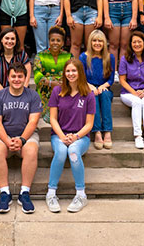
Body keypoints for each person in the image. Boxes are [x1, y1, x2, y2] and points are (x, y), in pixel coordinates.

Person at [0, 62, 42, 214]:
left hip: (26, 136)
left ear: (25, 78)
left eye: (20, 76)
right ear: (8, 77)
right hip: (4, 135)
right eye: (13, 76)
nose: (17, 79)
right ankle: (5, 193)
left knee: (31, 151)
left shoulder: (32, 95)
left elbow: (33, 121)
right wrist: (7, 141)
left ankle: (24, 193)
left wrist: (22, 140)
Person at [46, 58, 95, 213]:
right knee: (61, 152)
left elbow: (89, 124)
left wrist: (75, 137)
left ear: (80, 72)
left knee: (73, 152)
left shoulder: (88, 94)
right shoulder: (57, 91)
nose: (71, 73)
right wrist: (62, 136)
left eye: (74, 70)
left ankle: (81, 194)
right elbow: (53, 118)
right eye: (68, 71)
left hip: (81, 138)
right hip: (59, 135)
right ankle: (51, 193)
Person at [118, 31, 144, 149]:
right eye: (134, 42)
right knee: (136, 102)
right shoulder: (125, 59)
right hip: (128, 92)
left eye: (139, 42)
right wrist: (134, 92)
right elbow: (122, 80)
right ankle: (138, 136)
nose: (137, 44)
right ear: (130, 44)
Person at [80, 31, 114, 150]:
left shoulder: (110, 57)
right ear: (90, 42)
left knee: (104, 95)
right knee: (93, 97)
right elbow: (81, 77)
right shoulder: (84, 57)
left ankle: (108, 131)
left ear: (104, 43)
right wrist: (91, 87)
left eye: (100, 41)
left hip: (104, 88)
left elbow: (111, 79)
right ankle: (97, 132)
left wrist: (102, 86)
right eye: (95, 40)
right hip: (88, 88)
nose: (97, 43)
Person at [34, 26, 71, 123]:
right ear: (49, 41)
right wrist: (51, 83)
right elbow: (37, 75)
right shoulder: (41, 56)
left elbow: (73, 72)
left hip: (63, 89)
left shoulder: (68, 56)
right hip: (45, 90)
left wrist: (62, 84)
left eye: (58, 40)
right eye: (52, 40)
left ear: (62, 43)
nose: (55, 43)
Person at [0, 27, 31, 92]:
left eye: (12, 39)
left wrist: (19, 94)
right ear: (1, 40)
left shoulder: (22, 55)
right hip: (0, 91)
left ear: (16, 41)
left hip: (21, 91)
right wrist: (7, 96)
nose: (10, 41)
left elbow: (27, 79)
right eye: (7, 38)